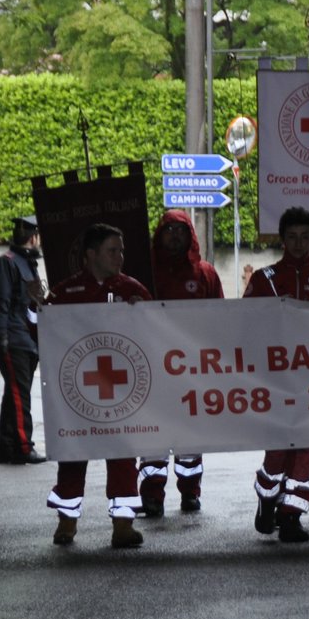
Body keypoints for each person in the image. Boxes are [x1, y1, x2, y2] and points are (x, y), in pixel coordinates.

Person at [244, 206, 309, 542]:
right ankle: (267, 498)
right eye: (292, 237)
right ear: (283, 240)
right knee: (278, 449)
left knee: (305, 446)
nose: (299, 243)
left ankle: (291, 515)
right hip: (275, 382)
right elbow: (243, 326)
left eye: (305, 238)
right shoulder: (264, 280)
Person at [46, 224, 151, 548]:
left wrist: (143, 313)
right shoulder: (65, 292)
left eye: (121, 251)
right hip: (77, 391)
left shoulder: (134, 290)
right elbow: (39, 328)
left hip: (123, 392)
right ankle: (67, 522)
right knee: (73, 454)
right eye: (112, 250)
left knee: (123, 456)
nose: (120, 257)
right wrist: (35, 305)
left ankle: (123, 525)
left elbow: (158, 331)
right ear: (90, 255)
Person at [137, 210, 224, 516]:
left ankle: (190, 493)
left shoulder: (206, 274)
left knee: (189, 435)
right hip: (152, 369)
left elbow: (221, 321)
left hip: (192, 372)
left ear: (191, 235)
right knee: (152, 435)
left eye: (180, 229)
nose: (174, 234)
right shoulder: (143, 272)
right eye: (168, 228)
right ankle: (151, 495)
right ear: (158, 234)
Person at [0, 214, 46, 465]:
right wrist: (1, 337)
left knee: (12, 394)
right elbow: (0, 304)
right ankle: (24, 446)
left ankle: (6, 446)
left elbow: (32, 305)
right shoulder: (7, 263)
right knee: (19, 395)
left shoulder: (29, 264)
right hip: (13, 339)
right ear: (33, 237)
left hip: (27, 340)